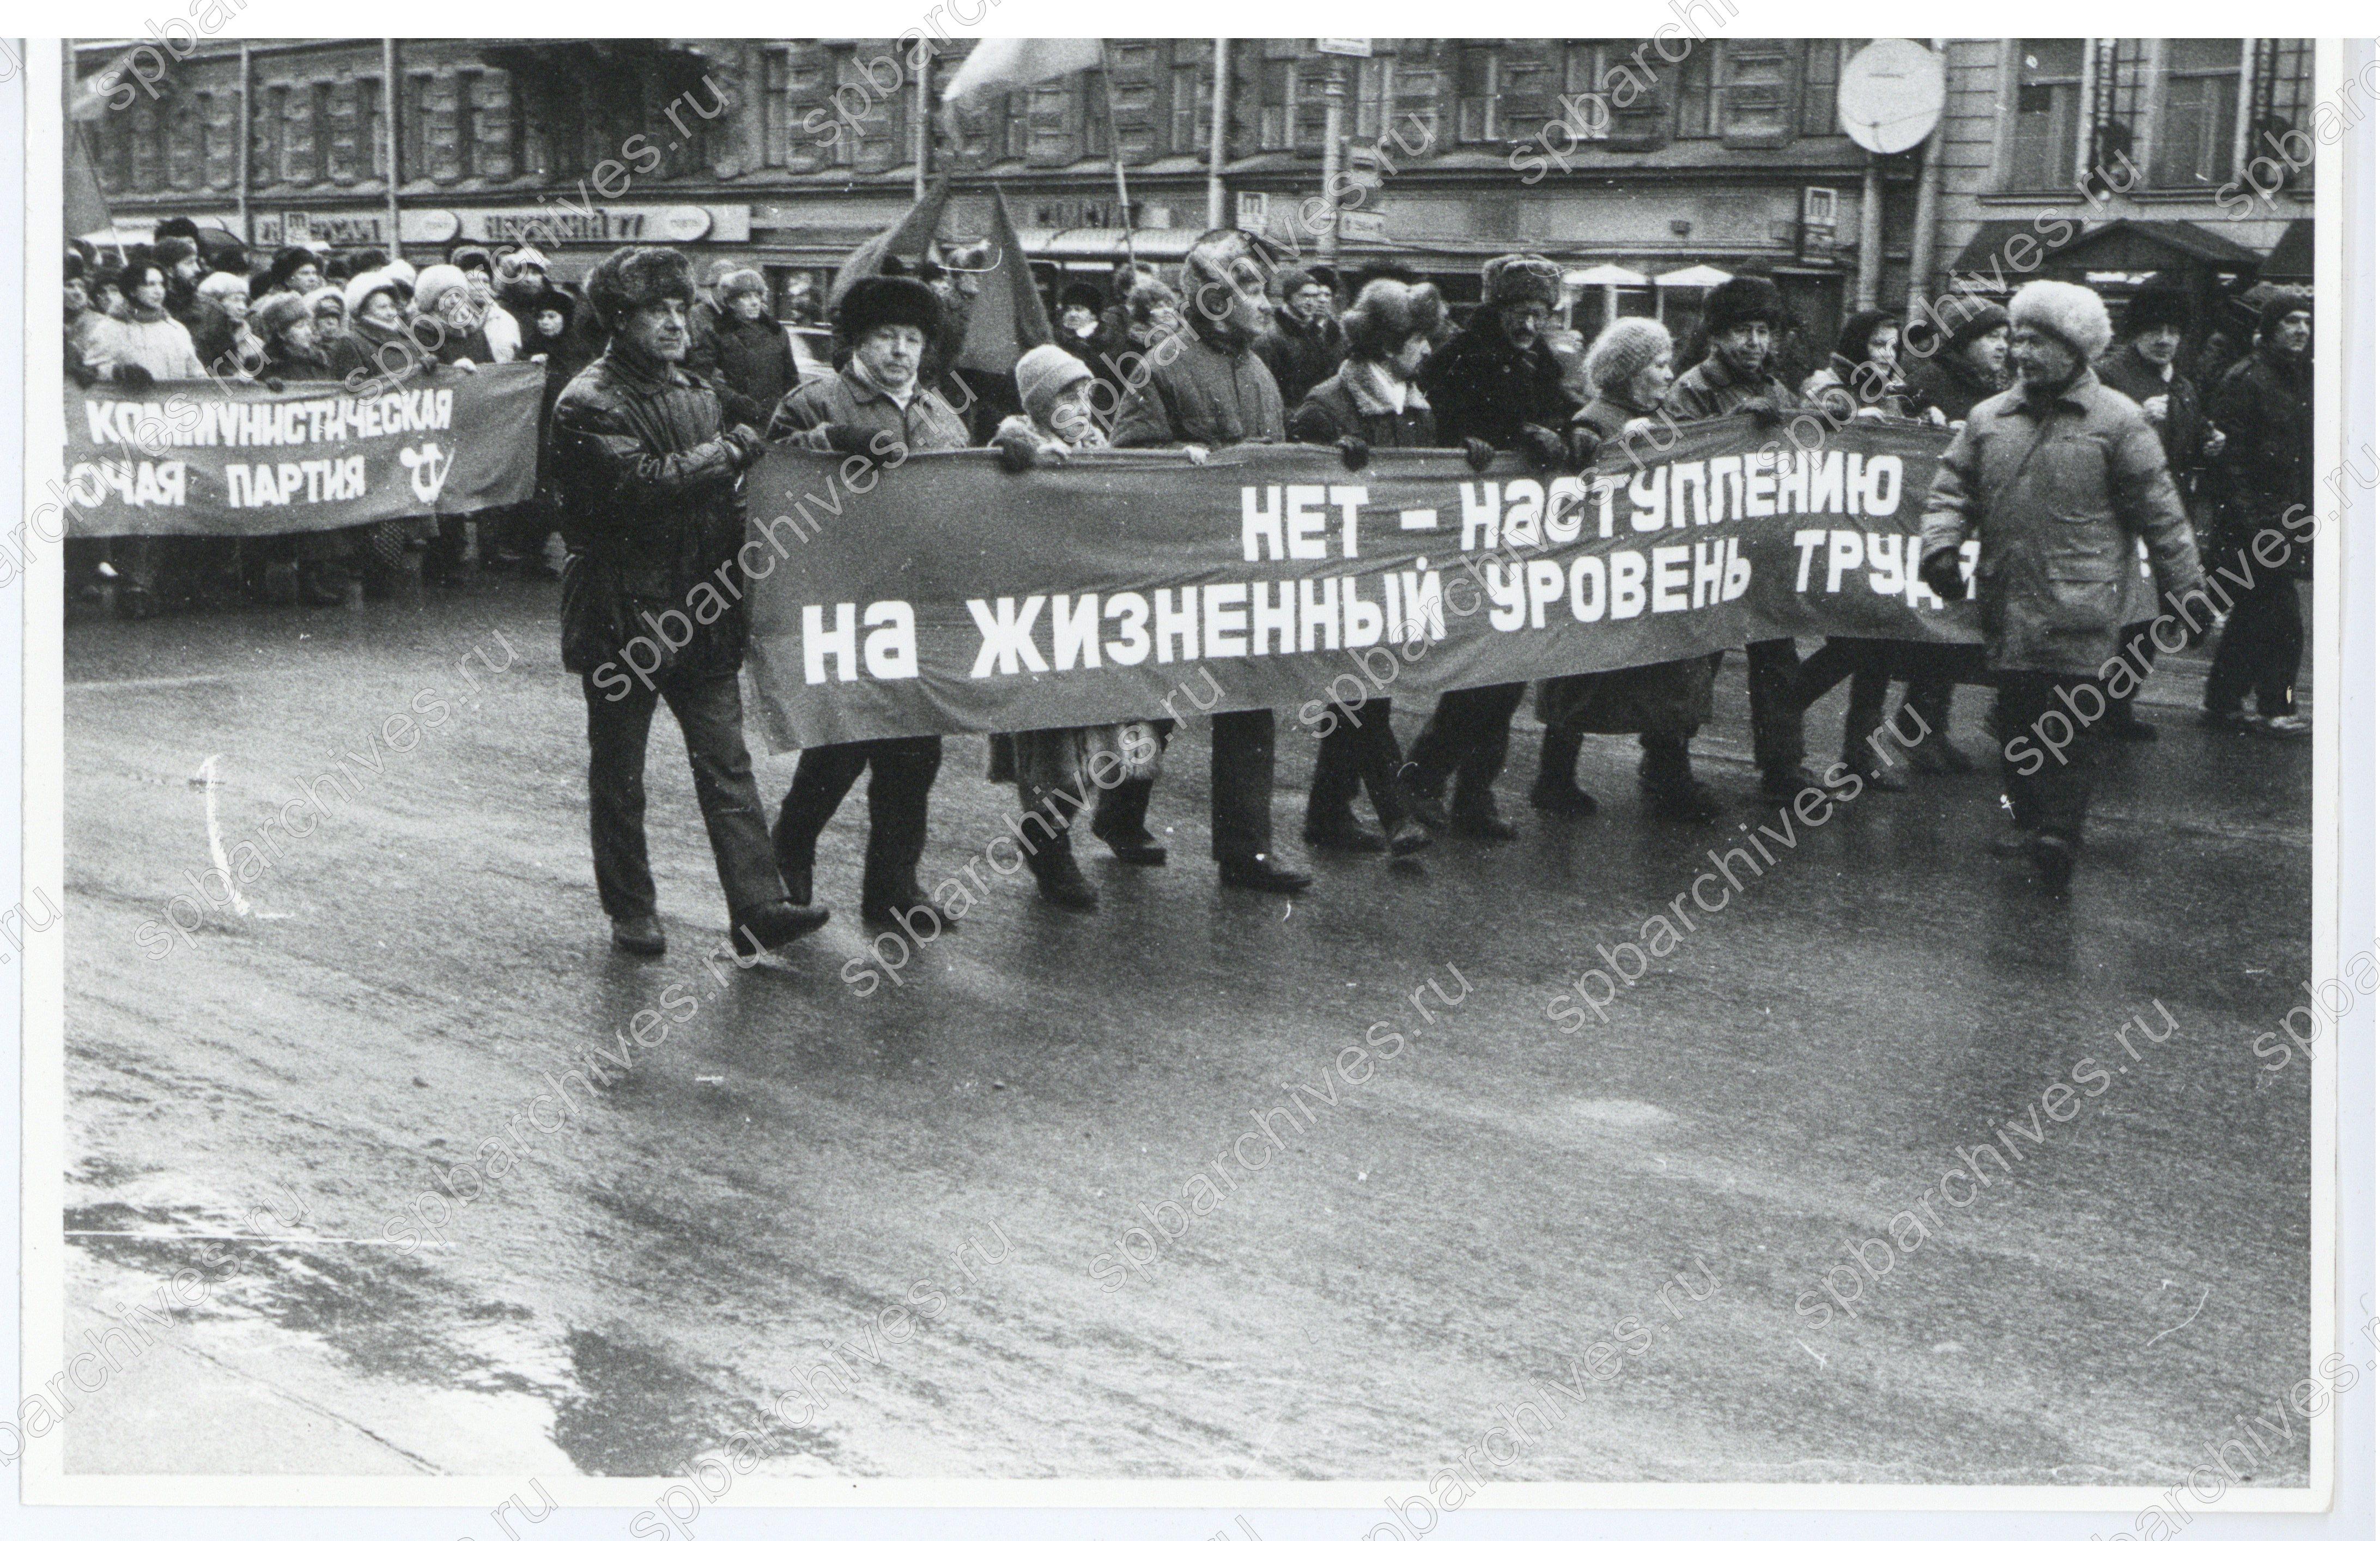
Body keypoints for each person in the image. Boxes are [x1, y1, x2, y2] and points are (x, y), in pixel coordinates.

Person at [549, 246, 829, 958]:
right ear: (621, 319)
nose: (674, 324)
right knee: (621, 775)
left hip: (700, 605)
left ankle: (757, 906)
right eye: (655, 311)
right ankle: (631, 910)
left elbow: (770, 434)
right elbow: (641, 483)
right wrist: (732, 455)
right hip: (621, 610)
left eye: (679, 309)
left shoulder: (697, 389)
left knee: (726, 763)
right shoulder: (588, 400)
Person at [1919, 280, 2202, 896]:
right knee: (2018, 723)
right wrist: (1941, 547)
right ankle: (2030, 822)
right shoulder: (1988, 418)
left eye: (2038, 340)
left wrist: (2188, 593)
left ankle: (2059, 833)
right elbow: (1950, 490)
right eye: (2017, 338)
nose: (2022, 351)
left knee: (2070, 727)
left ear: (2077, 348)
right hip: (2009, 602)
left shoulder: (2120, 421)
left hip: (2087, 606)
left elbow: (2163, 515)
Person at [767, 274, 972, 931]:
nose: (901, 351)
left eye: (913, 338)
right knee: (840, 744)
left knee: (915, 753)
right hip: (840, 600)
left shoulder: (942, 416)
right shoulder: (816, 402)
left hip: (921, 604)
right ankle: (789, 859)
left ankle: (894, 886)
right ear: (857, 340)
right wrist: (833, 442)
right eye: (886, 336)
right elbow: (770, 475)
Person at [1110, 227, 1311, 895]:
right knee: (1156, 706)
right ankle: (1119, 810)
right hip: (1176, 566)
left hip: (1245, 567)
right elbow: (1126, 464)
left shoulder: (1259, 371)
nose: (1265, 304)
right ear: (1215, 299)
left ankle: (1246, 852)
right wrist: (1184, 464)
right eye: (1250, 289)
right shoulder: (1161, 365)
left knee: (1251, 698)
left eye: (1263, 289)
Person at [1402, 252, 1578, 840]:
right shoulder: (1457, 358)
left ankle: (1474, 794)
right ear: (1497, 308)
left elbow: (1568, 415)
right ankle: (1423, 779)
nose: (1528, 325)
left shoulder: (1544, 363)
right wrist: (1467, 443)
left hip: (1524, 537)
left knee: (1507, 674)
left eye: (1539, 314)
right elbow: (1424, 425)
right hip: (1470, 535)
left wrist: (1570, 434)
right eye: (1519, 312)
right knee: (1480, 671)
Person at [986, 343, 1168, 909]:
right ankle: (1050, 851)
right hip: (1042, 617)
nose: (1082, 405)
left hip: (1095, 613)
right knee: (1050, 747)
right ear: (1040, 401)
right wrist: (1021, 459)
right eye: (1067, 394)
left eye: (1087, 392)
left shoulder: (1098, 449)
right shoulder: (1014, 449)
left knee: (1119, 726)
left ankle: (1098, 822)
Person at [1536, 317, 1723, 823]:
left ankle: (1669, 774)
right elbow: (1580, 491)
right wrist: (1619, 451)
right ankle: (1555, 779)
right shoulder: (1594, 420)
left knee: (1672, 672)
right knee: (1583, 673)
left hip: (1657, 567)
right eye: (1659, 365)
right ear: (1629, 373)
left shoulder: (1663, 417)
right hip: (1611, 572)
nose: (1669, 375)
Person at [1286, 277, 1441, 862]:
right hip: (1345, 574)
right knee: (1364, 691)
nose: (1427, 352)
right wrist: (1331, 455)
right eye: (1418, 340)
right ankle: (1396, 811)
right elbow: (1299, 478)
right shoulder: (1328, 404)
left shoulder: (1416, 403)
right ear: (1387, 344)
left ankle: (1326, 814)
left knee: (1361, 693)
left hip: (1394, 566)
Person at [1663, 273, 1819, 806]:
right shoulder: (1690, 390)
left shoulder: (1777, 390)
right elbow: (1676, 463)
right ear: (1717, 336)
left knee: (1777, 659)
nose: (1754, 344)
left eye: (1763, 331)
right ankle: (1667, 768)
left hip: (1762, 546)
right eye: (1742, 332)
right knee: (1692, 660)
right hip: (1707, 548)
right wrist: (1735, 423)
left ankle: (1783, 764)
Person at [1789, 310, 1940, 792]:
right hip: (1837, 531)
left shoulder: (1891, 388)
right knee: (1855, 642)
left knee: (1876, 643)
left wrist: (1925, 422)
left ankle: (1860, 754)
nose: (1886, 356)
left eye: (1893, 347)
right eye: (1877, 346)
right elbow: (1813, 425)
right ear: (1856, 347)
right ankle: (1786, 705)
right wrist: (1851, 419)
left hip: (1877, 535)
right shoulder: (1827, 384)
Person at [2096, 278, 2224, 741]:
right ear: (2135, 332)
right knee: (2119, 615)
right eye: (2154, 329)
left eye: (2173, 330)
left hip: (2166, 515)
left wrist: (2208, 442)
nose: (2164, 339)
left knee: (2151, 621)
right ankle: (2091, 708)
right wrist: (2134, 415)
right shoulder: (2109, 375)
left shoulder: (2183, 384)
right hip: (2121, 515)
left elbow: (2187, 443)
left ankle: (2118, 706)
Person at [2202, 292, 2314, 737]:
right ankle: (2277, 706)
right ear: (2269, 330)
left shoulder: (2297, 377)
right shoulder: (2247, 379)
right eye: (2291, 321)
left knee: (2252, 618)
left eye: (2306, 321)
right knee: (2284, 622)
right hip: (2254, 526)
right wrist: (2256, 527)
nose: (2301, 330)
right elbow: (2232, 461)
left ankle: (2222, 701)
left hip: (2283, 520)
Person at [689, 268, 798, 430]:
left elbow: (791, 377)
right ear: (732, 303)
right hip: (735, 421)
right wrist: (736, 401)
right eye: (746, 297)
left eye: (758, 296)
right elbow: (701, 378)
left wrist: (791, 409)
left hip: (774, 420)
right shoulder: (717, 333)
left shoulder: (777, 332)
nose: (755, 302)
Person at [1253, 265, 1345, 409]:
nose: (1310, 302)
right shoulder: (1271, 335)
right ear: (1289, 297)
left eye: (1314, 297)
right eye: (1305, 296)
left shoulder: (1316, 334)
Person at [451, 246, 519, 361]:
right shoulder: (451, 319)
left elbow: (517, 357)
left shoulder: (506, 319)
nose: (481, 287)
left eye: (485, 282)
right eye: (473, 282)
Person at [1054, 282, 1106, 366]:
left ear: (1093, 315)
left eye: (1079, 309)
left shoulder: (1104, 339)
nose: (1072, 314)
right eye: (1068, 310)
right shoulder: (1057, 339)